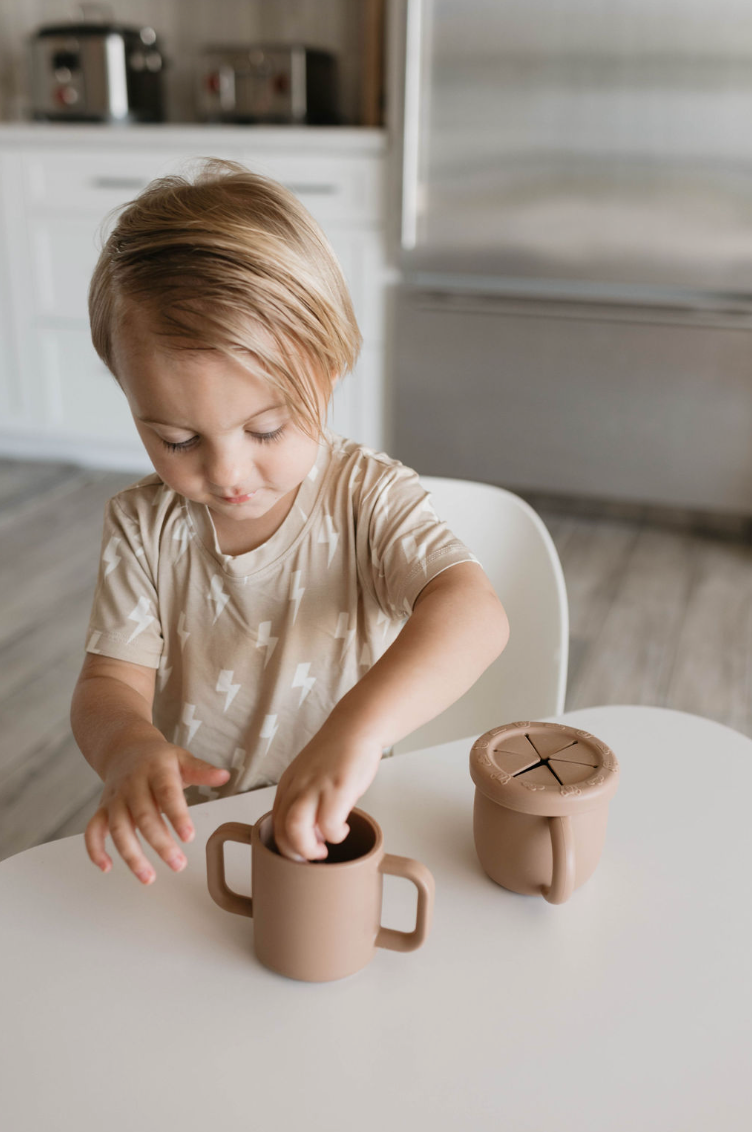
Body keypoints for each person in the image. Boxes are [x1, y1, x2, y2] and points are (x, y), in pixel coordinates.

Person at [70, 158, 509, 885]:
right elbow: (107, 686)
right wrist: (125, 750)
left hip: (348, 818)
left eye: (266, 429)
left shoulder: (366, 497)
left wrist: (355, 734)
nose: (228, 472)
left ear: (329, 370)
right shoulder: (143, 526)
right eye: (178, 440)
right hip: (197, 829)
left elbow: (475, 615)